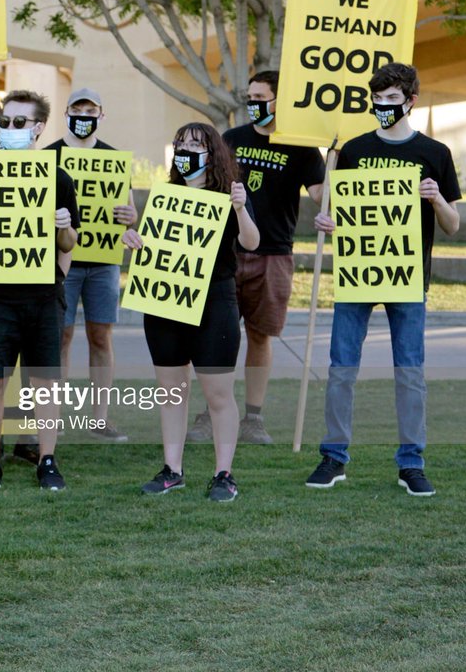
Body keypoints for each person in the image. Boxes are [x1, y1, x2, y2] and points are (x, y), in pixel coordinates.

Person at [307, 63, 460, 497]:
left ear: (411, 101)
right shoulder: (352, 150)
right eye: (378, 99)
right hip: (358, 274)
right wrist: (328, 221)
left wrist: (434, 200)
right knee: (341, 368)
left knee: (410, 372)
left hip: (408, 278)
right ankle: (334, 456)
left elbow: (453, 224)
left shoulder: (435, 152)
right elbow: (342, 213)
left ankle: (411, 462)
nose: (383, 106)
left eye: (392, 99)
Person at [184, 71, 325, 445]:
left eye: (260, 96)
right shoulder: (232, 139)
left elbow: (319, 195)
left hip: (273, 254)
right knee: (218, 335)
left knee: (261, 337)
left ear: (280, 101)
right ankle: (213, 410)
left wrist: (336, 158)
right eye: (250, 96)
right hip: (225, 252)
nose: (253, 103)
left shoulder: (301, 146)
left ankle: (253, 418)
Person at [122, 123, 259, 503]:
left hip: (214, 302)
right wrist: (134, 240)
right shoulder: (167, 197)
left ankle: (224, 473)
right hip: (165, 302)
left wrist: (241, 208)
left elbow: (251, 242)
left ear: (212, 153)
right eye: (180, 143)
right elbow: (155, 247)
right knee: (171, 391)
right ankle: (173, 469)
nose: (185, 150)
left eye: (195, 144)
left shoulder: (230, 195)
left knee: (218, 393)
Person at [0, 90, 80, 492]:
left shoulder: (58, 177)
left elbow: (68, 244)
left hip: (43, 296)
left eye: (18, 123)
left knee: (45, 381)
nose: (8, 129)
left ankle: (47, 460)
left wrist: (63, 224)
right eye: (4, 122)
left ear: (39, 129)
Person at [45, 87, 138, 443]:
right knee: (61, 337)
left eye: (91, 109)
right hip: (61, 260)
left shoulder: (114, 159)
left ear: (102, 115)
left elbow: (129, 214)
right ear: (66, 113)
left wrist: (131, 216)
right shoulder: (49, 156)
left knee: (101, 337)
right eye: (77, 108)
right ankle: (56, 415)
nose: (84, 115)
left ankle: (100, 418)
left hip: (103, 262)